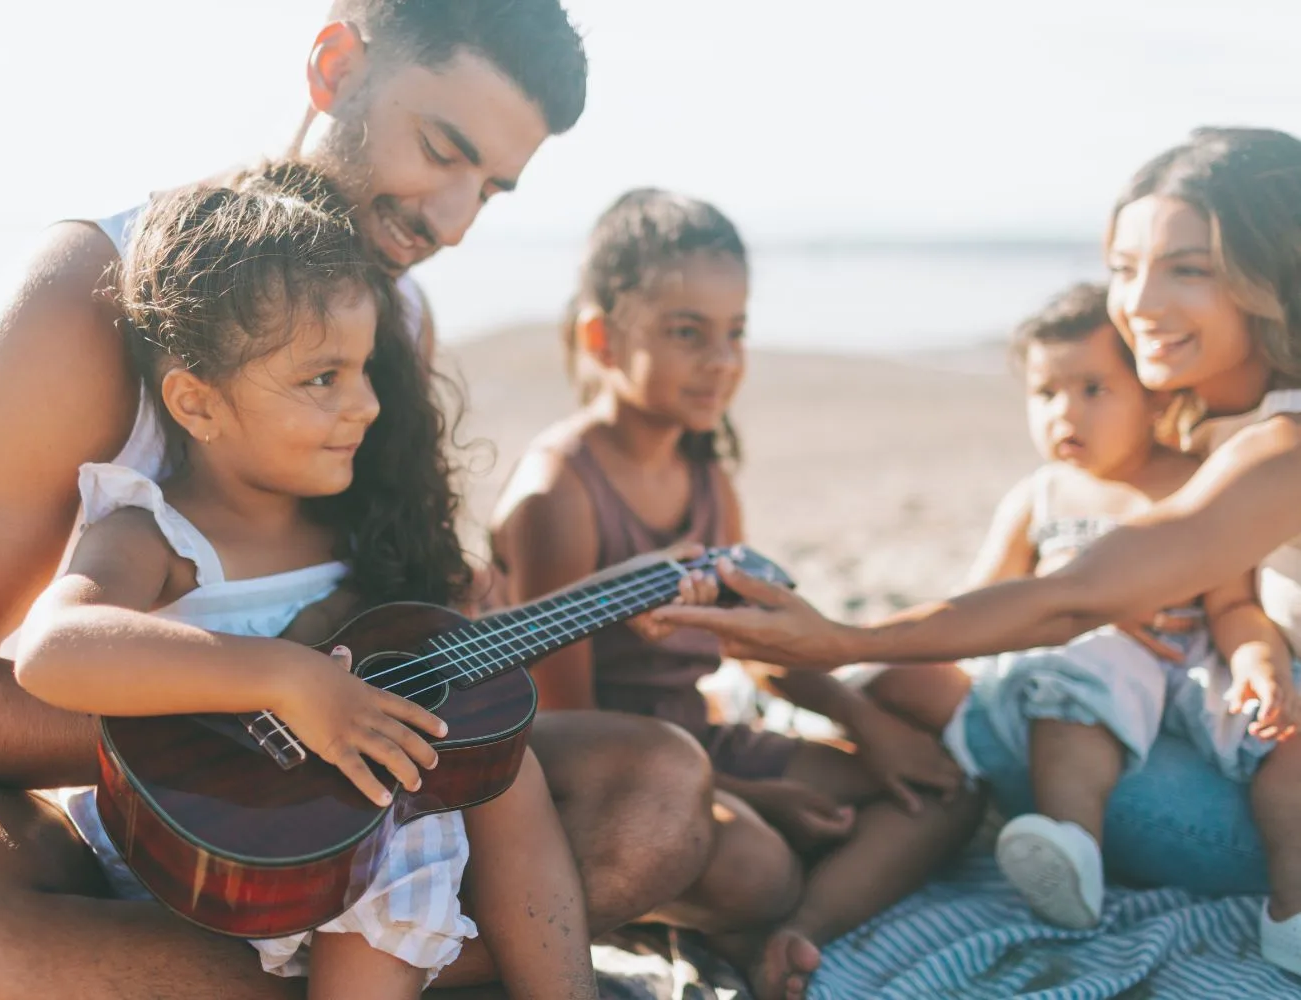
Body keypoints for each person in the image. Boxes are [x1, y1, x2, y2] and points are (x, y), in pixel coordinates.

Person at [0, 6, 729, 997]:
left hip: (355, 812)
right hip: (135, 828)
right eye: (442, 149)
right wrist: (260, 724)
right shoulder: (94, 296)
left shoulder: (389, 326)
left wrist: (402, 677)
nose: (455, 222)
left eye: (492, 190)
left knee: (659, 794)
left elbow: (384, 625)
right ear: (334, 65)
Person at [650, 126, 1301, 976]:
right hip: (1253, 745)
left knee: (1020, 708)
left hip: (1273, 808)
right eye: (1123, 264)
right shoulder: (1228, 425)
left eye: (1189, 267)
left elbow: (1074, 597)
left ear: (1270, 273)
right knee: (1040, 694)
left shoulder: (1279, 446)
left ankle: (882, 789)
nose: (1138, 301)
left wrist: (849, 643)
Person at [11, 169, 598, 999]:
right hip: (203, 844)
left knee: (501, 776)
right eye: (322, 379)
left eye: (364, 371)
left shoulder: (353, 533)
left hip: (338, 848)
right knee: (402, 827)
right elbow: (50, 650)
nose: (363, 405)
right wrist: (285, 677)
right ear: (198, 403)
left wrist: (452, 607)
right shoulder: (157, 533)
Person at [489, 188, 982, 999]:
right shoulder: (559, 496)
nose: (721, 360)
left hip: (704, 741)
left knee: (940, 793)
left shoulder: (705, 474)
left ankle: (796, 935)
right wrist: (754, 797)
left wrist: (868, 729)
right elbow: (557, 724)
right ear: (602, 337)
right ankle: (728, 902)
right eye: (688, 333)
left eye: (736, 332)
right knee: (756, 865)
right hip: (616, 784)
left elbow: (756, 645)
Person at [875, 281, 1295, 934]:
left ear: (1154, 393)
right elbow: (979, 610)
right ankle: (1073, 847)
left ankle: (1291, 915)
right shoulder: (1041, 497)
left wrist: (1258, 663)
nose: (1065, 414)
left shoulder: (1192, 479)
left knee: (1283, 731)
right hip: (1098, 671)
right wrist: (1089, 606)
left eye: (1093, 390)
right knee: (1076, 676)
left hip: (1194, 660)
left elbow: (1234, 604)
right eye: (1046, 393)